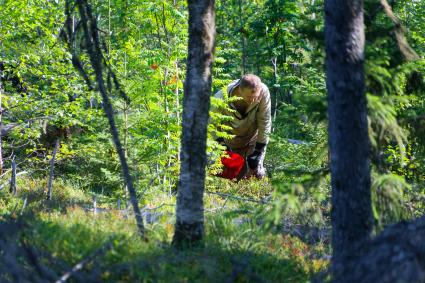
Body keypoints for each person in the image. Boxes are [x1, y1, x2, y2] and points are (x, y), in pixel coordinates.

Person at [213, 74, 271, 179]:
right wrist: (221, 147)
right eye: (249, 97)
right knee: (233, 177)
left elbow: (265, 122)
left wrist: (259, 150)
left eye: (256, 97)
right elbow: (211, 124)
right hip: (229, 141)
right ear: (239, 90)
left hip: (253, 139)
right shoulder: (222, 96)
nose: (253, 101)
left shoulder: (263, 92)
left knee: (255, 175)